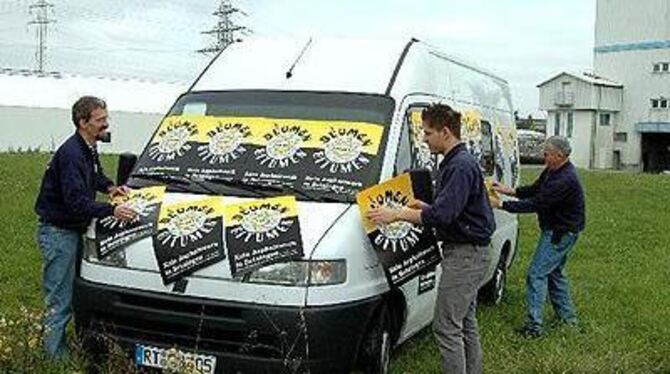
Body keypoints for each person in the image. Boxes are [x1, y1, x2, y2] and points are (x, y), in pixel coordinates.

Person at [367, 103, 495, 374]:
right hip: (470, 251)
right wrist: (425, 207)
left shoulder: (459, 165)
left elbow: (445, 215)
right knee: (465, 321)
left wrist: (397, 214)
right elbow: (453, 209)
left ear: (445, 132)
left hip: (465, 254)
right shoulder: (458, 161)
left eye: (427, 133)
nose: (423, 139)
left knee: (446, 327)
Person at [34, 96, 136, 359]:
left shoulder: (88, 147)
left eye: (105, 118)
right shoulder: (71, 154)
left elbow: (95, 175)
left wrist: (111, 187)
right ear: (83, 122)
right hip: (58, 233)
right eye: (100, 120)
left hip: (71, 231)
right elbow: (76, 202)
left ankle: (63, 349)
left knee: (72, 293)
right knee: (59, 298)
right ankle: (54, 359)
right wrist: (111, 209)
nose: (106, 124)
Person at [490, 135, 585, 338]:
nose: (543, 157)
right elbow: (534, 189)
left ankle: (534, 327)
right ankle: (569, 321)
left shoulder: (565, 179)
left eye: (547, 154)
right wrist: (510, 190)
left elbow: (537, 203)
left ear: (559, 155)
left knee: (536, 274)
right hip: (560, 230)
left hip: (560, 233)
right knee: (554, 274)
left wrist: (501, 205)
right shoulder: (553, 171)